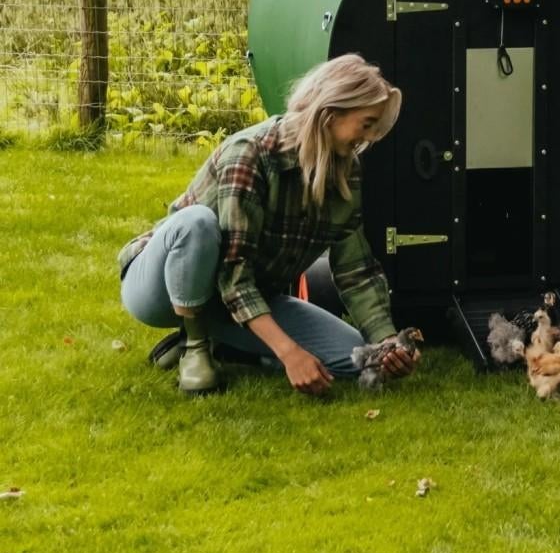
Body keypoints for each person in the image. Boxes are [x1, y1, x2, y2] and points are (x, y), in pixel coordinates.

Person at [118, 54, 418, 397]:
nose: (370, 137)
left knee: (353, 360)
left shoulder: (345, 170)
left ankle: (230, 342)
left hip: (239, 300)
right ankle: (195, 344)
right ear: (332, 113)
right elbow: (234, 272)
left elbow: (356, 269)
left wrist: (387, 342)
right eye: (366, 123)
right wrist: (289, 353)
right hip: (162, 289)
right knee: (195, 223)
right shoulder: (250, 154)